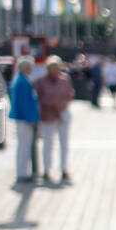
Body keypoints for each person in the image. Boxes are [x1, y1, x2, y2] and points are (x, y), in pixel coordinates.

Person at [34, 55, 74, 183]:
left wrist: (62, 104)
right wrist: (52, 105)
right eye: (53, 68)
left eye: (57, 68)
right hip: (48, 115)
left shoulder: (65, 79)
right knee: (48, 144)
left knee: (64, 144)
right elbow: (38, 97)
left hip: (62, 114)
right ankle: (47, 169)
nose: (55, 70)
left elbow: (69, 94)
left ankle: (64, 168)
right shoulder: (41, 81)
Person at [8, 57, 39, 182]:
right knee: (24, 146)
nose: (31, 69)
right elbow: (24, 103)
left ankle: (23, 171)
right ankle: (22, 172)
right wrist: (31, 119)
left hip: (22, 118)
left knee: (24, 145)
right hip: (24, 119)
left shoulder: (21, 80)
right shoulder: (23, 82)